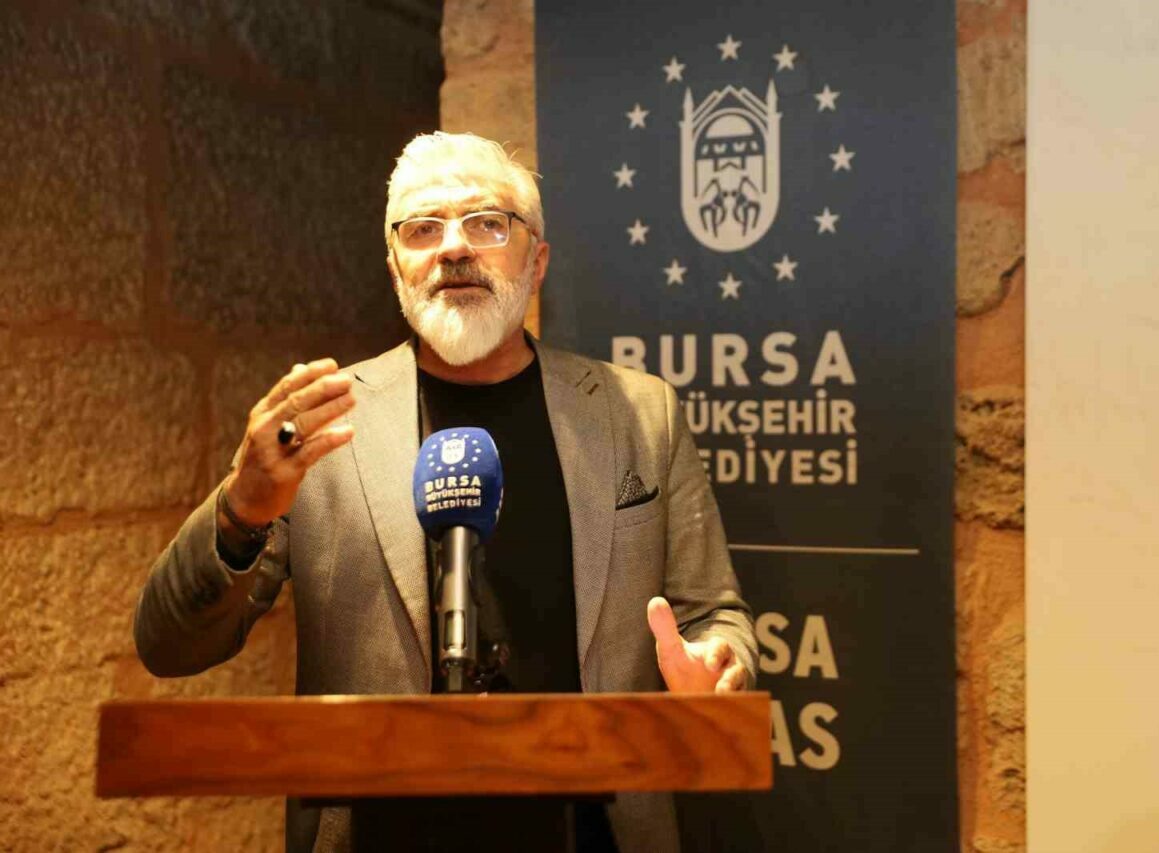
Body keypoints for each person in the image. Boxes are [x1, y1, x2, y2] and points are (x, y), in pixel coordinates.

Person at [133, 131, 757, 853]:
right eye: (423, 229)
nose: (454, 248)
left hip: (595, 829)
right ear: (395, 266)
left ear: (537, 259)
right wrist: (240, 511)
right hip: (379, 835)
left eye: (487, 223)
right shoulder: (322, 426)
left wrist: (718, 665)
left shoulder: (639, 414)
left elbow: (713, 613)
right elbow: (168, 645)